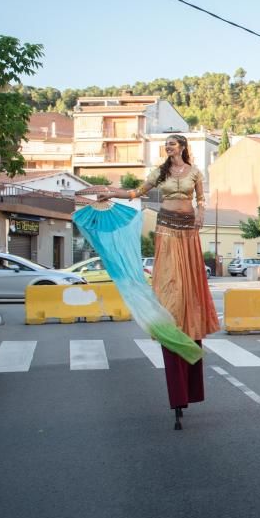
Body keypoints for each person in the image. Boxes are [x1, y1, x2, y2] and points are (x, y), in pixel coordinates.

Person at [91, 134, 219, 429]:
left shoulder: (196, 172)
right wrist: (110, 192)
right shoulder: (159, 172)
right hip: (166, 230)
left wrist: (201, 213)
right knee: (168, 286)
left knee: (188, 287)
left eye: (173, 145)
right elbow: (137, 193)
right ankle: (168, 318)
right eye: (167, 146)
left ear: (183, 147)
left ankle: (188, 320)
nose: (168, 148)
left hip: (188, 232)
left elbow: (202, 199)